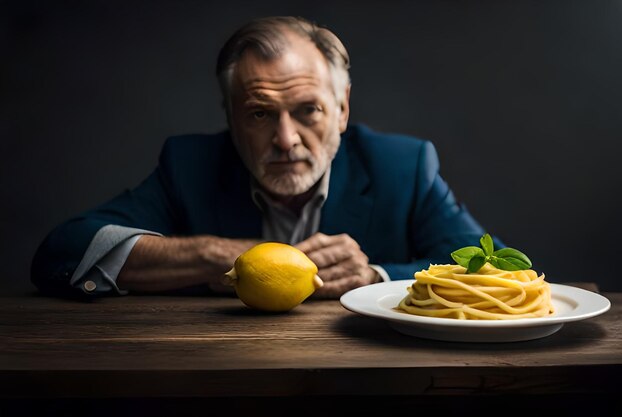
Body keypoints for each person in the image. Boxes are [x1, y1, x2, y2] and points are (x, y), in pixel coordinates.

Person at [31, 15, 501, 299]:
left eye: (307, 111)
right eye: (259, 114)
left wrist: (376, 276)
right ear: (230, 117)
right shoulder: (190, 164)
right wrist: (216, 255)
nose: (285, 139)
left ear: (342, 110)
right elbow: (65, 251)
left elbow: (497, 267)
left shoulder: (403, 166)